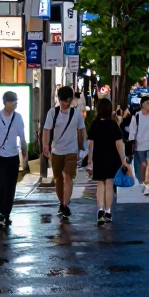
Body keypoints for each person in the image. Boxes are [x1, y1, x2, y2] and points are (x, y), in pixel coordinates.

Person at [0, 90, 29, 231]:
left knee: (11, 187)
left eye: (16, 101)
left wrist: (24, 149)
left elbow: (22, 136)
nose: (15, 103)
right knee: (2, 185)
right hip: (0, 157)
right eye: (13, 101)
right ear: (6, 102)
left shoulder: (18, 117)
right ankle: (1, 213)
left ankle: (6, 212)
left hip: (13, 157)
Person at [42, 86, 86, 220]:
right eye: (65, 101)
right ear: (60, 100)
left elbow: (81, 130)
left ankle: (66, 205)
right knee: (58, 179)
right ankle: (62, 202)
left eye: (69, 100)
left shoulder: (76, 113)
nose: (67, 103)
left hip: (71, 150)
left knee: (68, 176)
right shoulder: (52, 113)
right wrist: (46, 146)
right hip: (56, 151)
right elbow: (46, 130)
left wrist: (81, 148)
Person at [87, 97, 131, 223]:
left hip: (98, 157)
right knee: (109, 185)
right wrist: (123, 160)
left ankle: (100, 209)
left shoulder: (95, 124)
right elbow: (119, 144)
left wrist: (90, 159)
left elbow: (90, 144)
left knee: (100, 184)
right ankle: (108, 211)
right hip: (112, 158)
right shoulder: (113, 125)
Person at [129, 97, 149, 197]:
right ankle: (143, 181)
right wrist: (132, 142)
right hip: (140, 144)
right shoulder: (136, 116)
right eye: (147, 103)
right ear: (142, 104)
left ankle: (148, 185)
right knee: (143, 165)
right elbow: (132, 130)